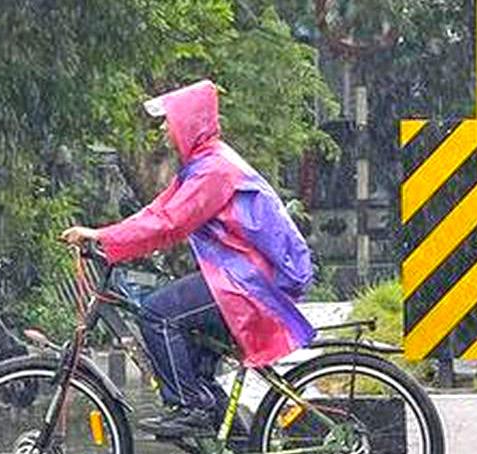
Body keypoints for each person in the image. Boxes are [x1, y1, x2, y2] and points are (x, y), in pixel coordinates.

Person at [61, 80, 315, 436]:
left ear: (189, 121)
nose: (164, 127)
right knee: (194, 367)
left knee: (158, 313)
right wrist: (107, 237)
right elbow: (158, 213)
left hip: (250, 280)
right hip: (241, 274)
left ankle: (189, 406)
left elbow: (169, 222)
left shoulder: (214, 170)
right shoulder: (201, 166)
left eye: (169, 119)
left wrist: (103, 237)